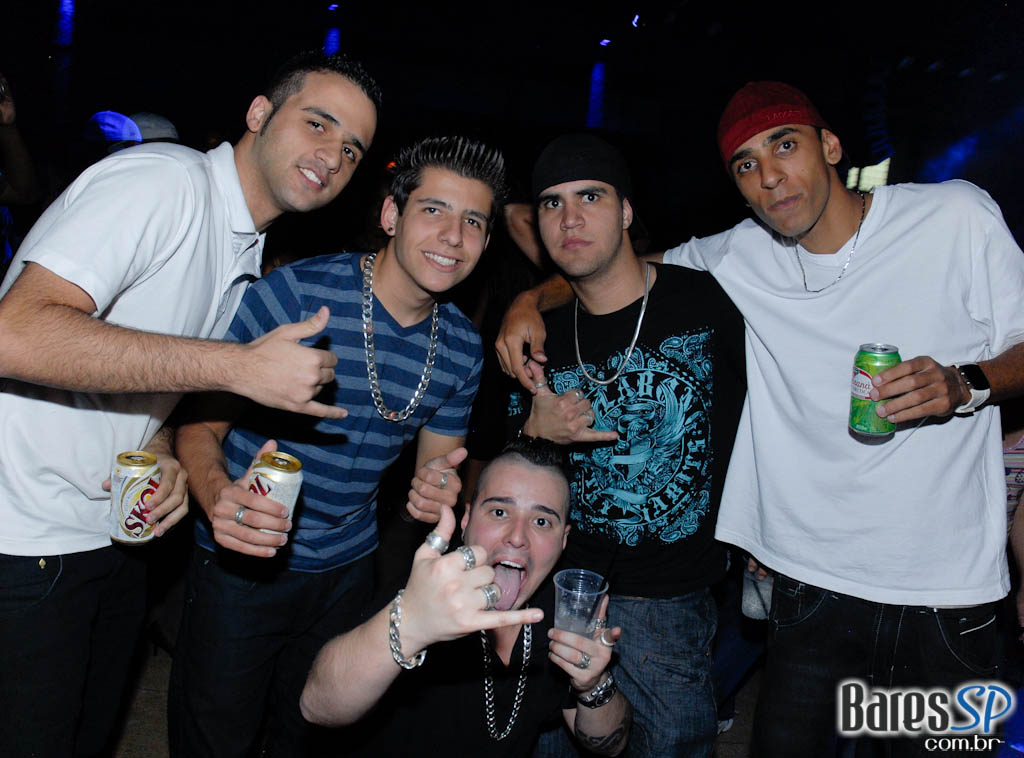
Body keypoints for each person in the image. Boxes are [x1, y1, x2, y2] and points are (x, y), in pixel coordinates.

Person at [496, 82, 1024, 756]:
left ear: (830, 145)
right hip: (806, 583)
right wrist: (526, 301)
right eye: (746, 164)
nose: (769, 175)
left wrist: (967, 382)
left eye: (785, 145)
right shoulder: (739, 255)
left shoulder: (954, 215)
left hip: (945, 585)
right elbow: (609, 263)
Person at [0, 50, 379, 758]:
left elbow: (139, 369)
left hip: (108, 534)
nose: (332, 156)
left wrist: (162, 448)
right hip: (22, 537)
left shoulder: (242, 250)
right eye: (318, 123)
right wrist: (237, 367)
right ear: (260, 113)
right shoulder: (163, 183)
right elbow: (13, 333)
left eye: (352, 149)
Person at [168, 135, 507, 758]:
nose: (453, 236)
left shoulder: (462, 347)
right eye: (433, 209)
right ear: (391, 214)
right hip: (244, 558)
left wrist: (436, 491)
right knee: (215, 735)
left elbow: (437, 471)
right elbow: (197, 426)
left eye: (473, 221)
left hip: (350, 567)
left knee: (309, 733)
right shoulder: (296, 295)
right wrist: (220, 501)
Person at [512, 134, 744, 757]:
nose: (571, 218)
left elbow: (769, 414)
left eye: (590, 197)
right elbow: (501, 475)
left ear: (627, 211)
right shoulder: (537, 337)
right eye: (553, 203)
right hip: (556, 591)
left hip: (671, 601)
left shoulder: (705, 302)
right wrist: (533, 432)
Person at [300, 438, 632, 756]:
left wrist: (592, 684)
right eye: (499, 512)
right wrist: (411, 624)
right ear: (466, 520)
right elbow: (317, 706)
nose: (517, 537)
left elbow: (610, 745)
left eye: (542, 521)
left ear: (563, 540)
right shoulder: (424, 592)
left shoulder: (559, 613)